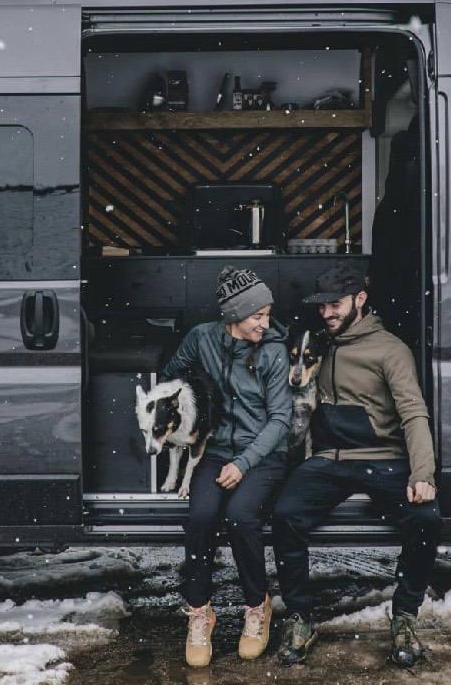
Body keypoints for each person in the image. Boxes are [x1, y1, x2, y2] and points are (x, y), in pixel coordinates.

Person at [271, 261, 441, 669]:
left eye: (336, 304)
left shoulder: (390, 349)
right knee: (285, 514)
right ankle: (299, 618)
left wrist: (422, 474)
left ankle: (404, 616)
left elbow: (414, 412)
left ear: (360, 300)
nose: (328, 312)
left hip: (384, 459)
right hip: (330, 460)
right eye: (322, 306)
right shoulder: (319, 344)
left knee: (427, 518)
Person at [159, 266, 291, 667]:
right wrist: (187, 405)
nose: (265, 324)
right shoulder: (202, 338)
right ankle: (200, 612)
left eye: (268, 315)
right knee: (200, 517)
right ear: (235, 314)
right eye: (258, 316)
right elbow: (171, 376)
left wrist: (244, 461)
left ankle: (257, 606)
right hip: (216, 450)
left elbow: (281, 419)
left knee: (240, 517)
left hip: (263, 454)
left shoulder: (272, 351)